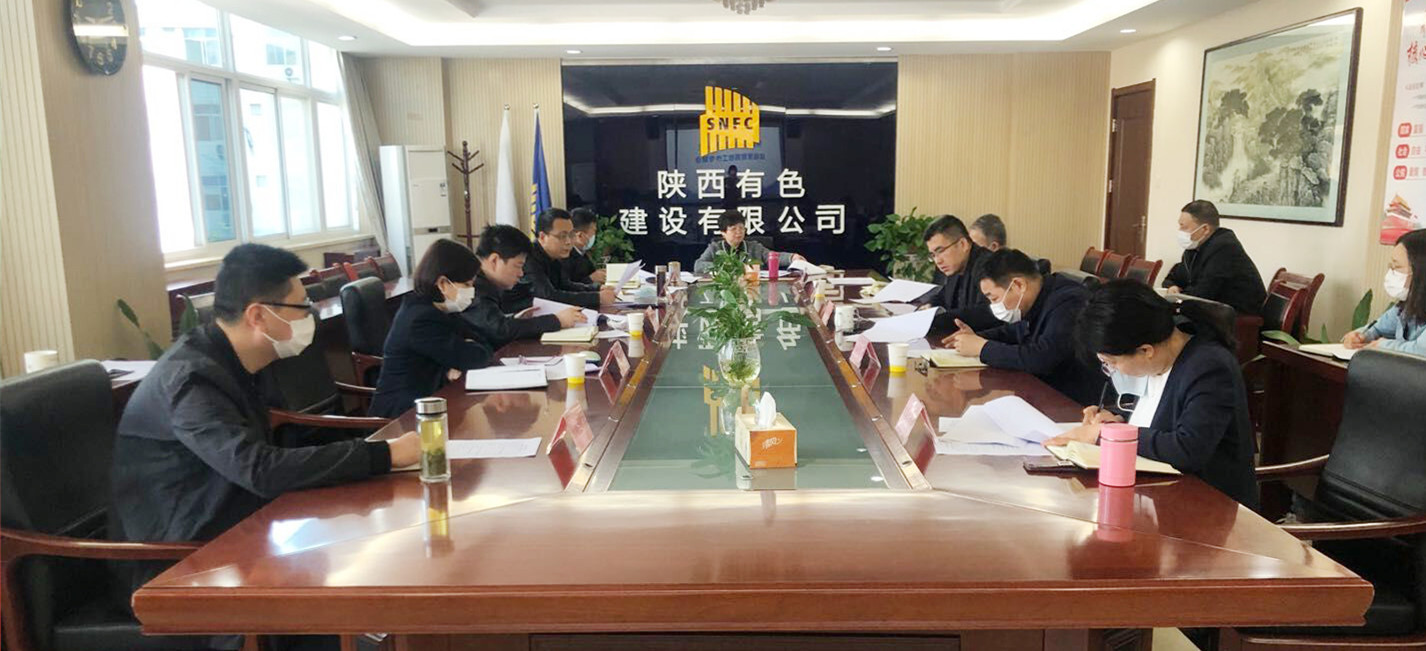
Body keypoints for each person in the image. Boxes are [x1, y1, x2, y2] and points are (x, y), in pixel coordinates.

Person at [110, 244, 420, 596]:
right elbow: (259, 470)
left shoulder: (238, 361)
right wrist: (383, 454)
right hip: (178, 563)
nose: (310, 316)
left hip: (237, 530)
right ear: (257, 316)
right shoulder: (191, 380)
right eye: (302, 307)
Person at [1045, 280, 1258, 509]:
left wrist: (1105, 434)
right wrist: (1117, 420)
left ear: (1146, 350)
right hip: (1161, 494)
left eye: (1112, 363)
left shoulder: (1209, 367)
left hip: (1208, 507)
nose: (1112, 370)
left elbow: (1188, 449)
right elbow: (1158, 416)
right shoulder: (1160, 359)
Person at [943, 249, 1104, 406]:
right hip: (1040, 393)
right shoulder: (1039, 297)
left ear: (1018, 285)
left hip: (1072, 404)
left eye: (994, 298)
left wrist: (983, 348)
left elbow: (1042, 358)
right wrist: (977, 338)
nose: (993, 306)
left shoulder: (1069, 302)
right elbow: (1014, 331)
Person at [370, 239, 496, 418]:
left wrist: (454, 363)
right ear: (443, 283)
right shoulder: (421, 318)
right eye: (467, 284)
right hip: (401, 416)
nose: (472, 291)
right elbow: (475, 358)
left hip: (430, 403)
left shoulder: (440, 309)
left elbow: (485, 343)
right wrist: (457, 359)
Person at [462, 224, 586, 349]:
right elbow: (500, 331)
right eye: (518, 266)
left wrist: (514, 319)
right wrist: (557, 320)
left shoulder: (485, 282)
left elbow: (491, 325)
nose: (521, 273)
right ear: (494, 260)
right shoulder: (473, 287)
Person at [1162, 200, 1266, 316]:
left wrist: (1179, 296)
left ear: (1205, 229)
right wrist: (1172, 287)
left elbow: (1205, 291)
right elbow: (1174, 277)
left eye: (1184, 227)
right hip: (1212, 309)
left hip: (1236, 314)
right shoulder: (1194, 248)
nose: (1180, 231)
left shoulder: (1225, 248)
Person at [1343, 229, 1426, 357]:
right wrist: (1361, 336)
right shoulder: (1405, 306)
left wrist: (1382, 346)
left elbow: (1421, 350)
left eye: (1397, 267)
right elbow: (1378, 329)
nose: (1391, 273)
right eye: (1391, 266)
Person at [515, 207, 616, 310]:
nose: (568, 241)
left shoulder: (555, 255)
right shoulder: (528, 258)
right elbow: (548, 296)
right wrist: (597, 297)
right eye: (562, 236)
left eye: (571, 235)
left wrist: (597, 288)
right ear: (542, 237)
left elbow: (565, 285)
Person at [920, 215, 999, 332]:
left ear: (963, 244)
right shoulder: (956, 265)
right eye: (933, 255)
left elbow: (987, 313)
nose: (937, 261)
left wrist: (939, 318)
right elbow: (944, 296)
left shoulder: (990, 265)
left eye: (940, 251)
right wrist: (930, 305)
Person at [693, 211, 805, 273]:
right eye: (733, 229)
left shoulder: (754, 247)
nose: (738, 232)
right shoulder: (715, 248)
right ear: (723, 232)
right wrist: (723, 267)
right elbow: (698, 265)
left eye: (741, 228)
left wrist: (792, 257)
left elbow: (771, 256)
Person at [563, 207, 607, 285]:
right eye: (594, 231)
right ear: (580, 235)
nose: (594, 235)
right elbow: (564, 286)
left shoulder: (582, 254)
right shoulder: (564, 257)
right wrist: (590, 279)